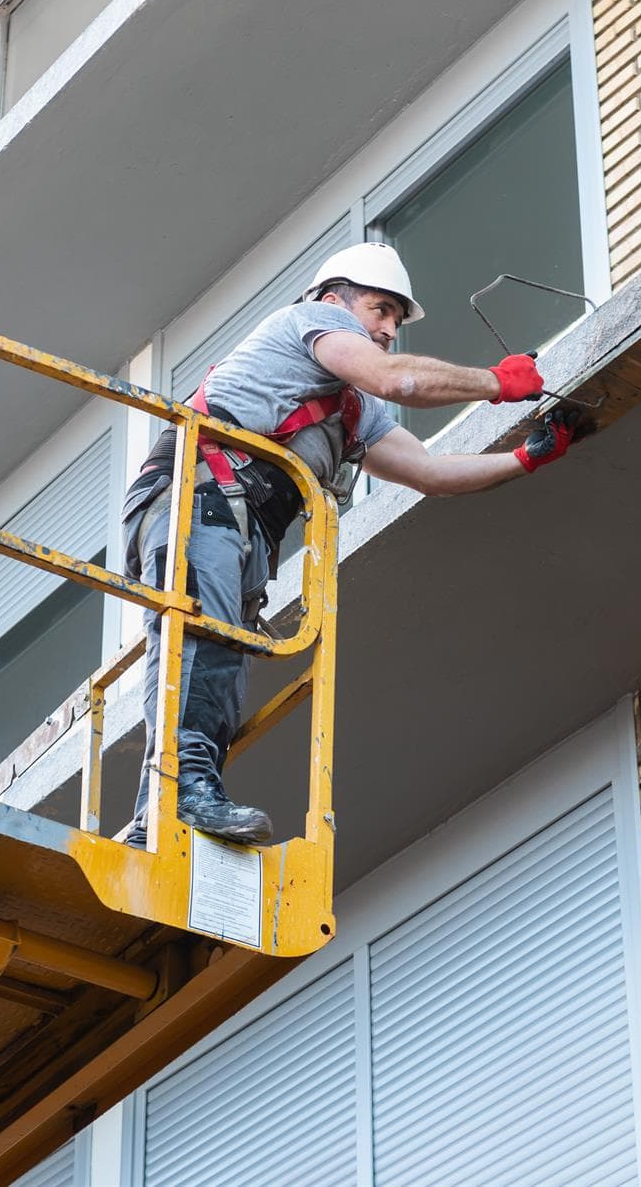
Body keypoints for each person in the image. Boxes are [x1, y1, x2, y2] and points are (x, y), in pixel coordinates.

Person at [121, 242, 591, 847]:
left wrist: (524, 459)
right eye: (380, 309)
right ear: (332, 299)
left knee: (217, 665)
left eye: (397, 318)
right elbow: (400, 379)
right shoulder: (311, 323)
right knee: (203, 641)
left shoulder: (352, 409)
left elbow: (429, 473)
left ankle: (152, 819)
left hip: (238, 520)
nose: (388, 328)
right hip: (195, 492)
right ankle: (182, 796)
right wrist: (494, 384)